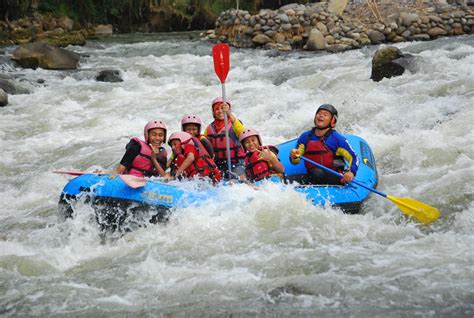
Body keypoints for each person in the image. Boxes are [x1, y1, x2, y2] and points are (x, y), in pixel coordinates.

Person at [289, 104, 358, 185]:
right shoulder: (305, 137)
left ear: (332, 121)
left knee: (317, 172)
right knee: (286, 180)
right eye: (319, 113)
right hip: (313, 176)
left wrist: (350, 172)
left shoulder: (337, 139)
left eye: (325, 114)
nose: (321, 115)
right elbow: (295, 161)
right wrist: (294, 156)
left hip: (334, 177)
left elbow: (354, 157)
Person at [203, 97, 246, 178]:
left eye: (222, 108)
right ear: (213, 112)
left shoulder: (235, 123)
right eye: (217, 109)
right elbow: (203, 144)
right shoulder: (209, 128)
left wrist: (229, 113)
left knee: (237, 180)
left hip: (237, 163)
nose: (220, 111)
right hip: (219, 164)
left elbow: (243, 133)